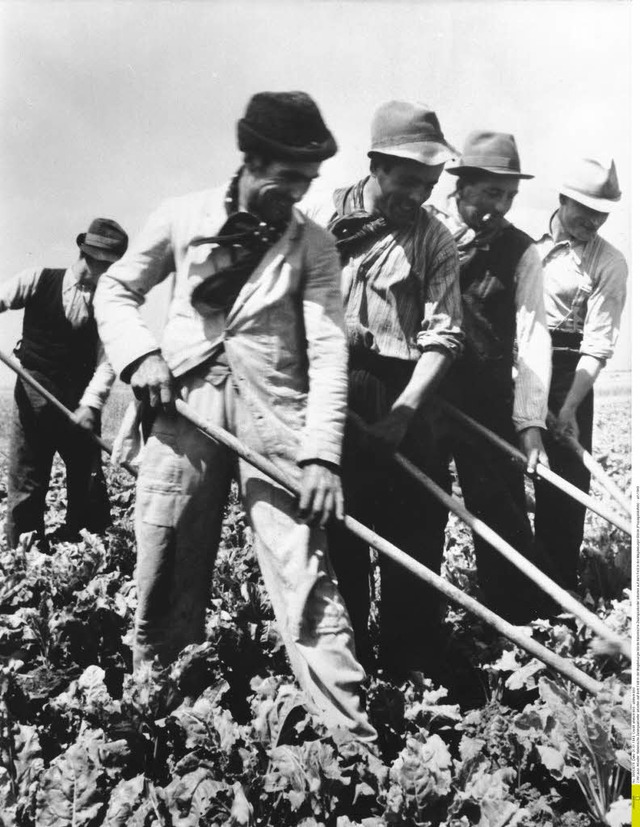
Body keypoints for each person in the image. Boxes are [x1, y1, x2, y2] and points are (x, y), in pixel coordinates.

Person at [94, 91, 376, 740]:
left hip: (275, 422)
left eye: (310, 180)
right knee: (164, 566)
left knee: (304, 574)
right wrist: (141, 357)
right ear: (251, 158)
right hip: (184, 415)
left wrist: (319, 454)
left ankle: (348, 740)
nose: (301, 193)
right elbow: (117, 289)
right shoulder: (182, 216)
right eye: (290, 177)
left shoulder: (314, 246)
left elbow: (329, 348)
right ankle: (158, 722)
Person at [304, 100, 464, 680]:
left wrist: (401, 415)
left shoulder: (435, 240)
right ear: (376, 163)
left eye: (431, 183)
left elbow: (443, 336)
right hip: (327, 390)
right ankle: (349, 670)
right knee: (337, 532)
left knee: (415, 533)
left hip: (405, 395)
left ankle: (412, 666)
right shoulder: (319, 213)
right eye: (409, 181)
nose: (419, 195)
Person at [428, 130, 552, 623]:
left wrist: (530, 423)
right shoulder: (424, 232)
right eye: (490, 194)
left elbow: (533, 336)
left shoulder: (521, 251)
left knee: (500, 514)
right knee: (421, 513)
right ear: (460, 187)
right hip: (424, 398)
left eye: (509, 196)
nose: (501, 206)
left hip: (485, 399)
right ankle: (425, 637)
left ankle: (518, 630)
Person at [1, 218, 128, 551]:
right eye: (93, 261)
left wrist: (90, 404)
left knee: (88, 484)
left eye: (104, 266)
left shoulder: (108, 304)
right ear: (83, 253)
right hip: (33, 395)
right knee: (27, 482)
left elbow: (108, 360)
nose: (95, 271)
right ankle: (23, 557)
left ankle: (86, 553)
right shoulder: (37, 279)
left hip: (79, 402)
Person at [532, 157, 627, 591]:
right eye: (585, 209)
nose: (593, 221)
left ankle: (556, 589)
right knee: (498, 477)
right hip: (510, 364)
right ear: (562, 199)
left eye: (602, 212)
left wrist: (568, 405)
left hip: (569, 376)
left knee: (565, 483)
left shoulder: (610, 263)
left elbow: (597, 344)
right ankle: (513, 591)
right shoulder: (523, 243)